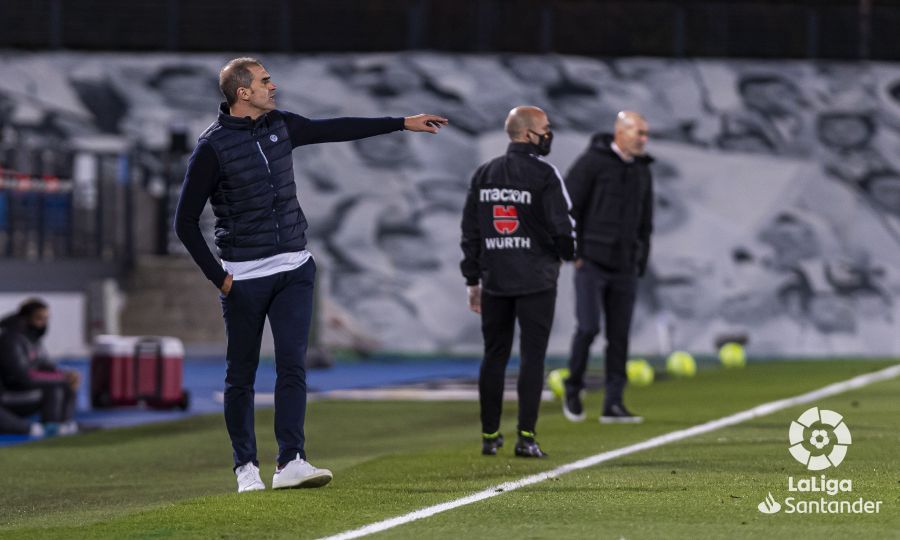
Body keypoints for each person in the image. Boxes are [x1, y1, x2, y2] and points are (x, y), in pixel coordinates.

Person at [174, 57, 447, 493]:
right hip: (243, 276)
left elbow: (336, 127)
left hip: (295, 268)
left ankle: (291, 461)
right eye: (265, 82)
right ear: (243, 93)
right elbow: (185, 222)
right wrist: (219, 278)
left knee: (292, 367)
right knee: (240, 374)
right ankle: (246, 467)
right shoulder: (212, 147)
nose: (273, 85)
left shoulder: (281, 125)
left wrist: (401, 123)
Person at [460, 106, 574, 458]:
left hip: (494, 279)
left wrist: (472, 278)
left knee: (494, 356)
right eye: (544, 128)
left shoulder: (484, 173)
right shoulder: (544, 174)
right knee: (532, 357)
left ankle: (489, 435)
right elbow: (563, 226)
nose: (548, 134)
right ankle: (526, 437)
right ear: (527, 134)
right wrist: (567, 253)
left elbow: (471, 231)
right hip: (537, 279)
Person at [562, 111, 654, 424]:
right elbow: (568, 207)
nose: (644, 139)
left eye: (645, 133)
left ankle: (613, 403)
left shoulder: (642, 170)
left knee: (620, 336)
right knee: (588, 328)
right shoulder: (592, 163)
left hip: (625, 264)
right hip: (592, 261)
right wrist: (574, 252)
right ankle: (573, 388)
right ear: (620, 132)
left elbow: (646, 220)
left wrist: (641, 257)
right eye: (638, 133)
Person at [0, 298, 80, 436]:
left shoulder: (32, 340)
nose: (44, 323)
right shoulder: (11, 340)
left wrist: (64, 375)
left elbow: (46, 366)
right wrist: (60, 379)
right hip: (7, 395)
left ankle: (60, 426)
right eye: (39, 319)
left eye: (46, 319)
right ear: (25, 319)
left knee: (64, 384)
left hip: (21, 391)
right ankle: (43, 429)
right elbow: (24, 377)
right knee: (55, 387)